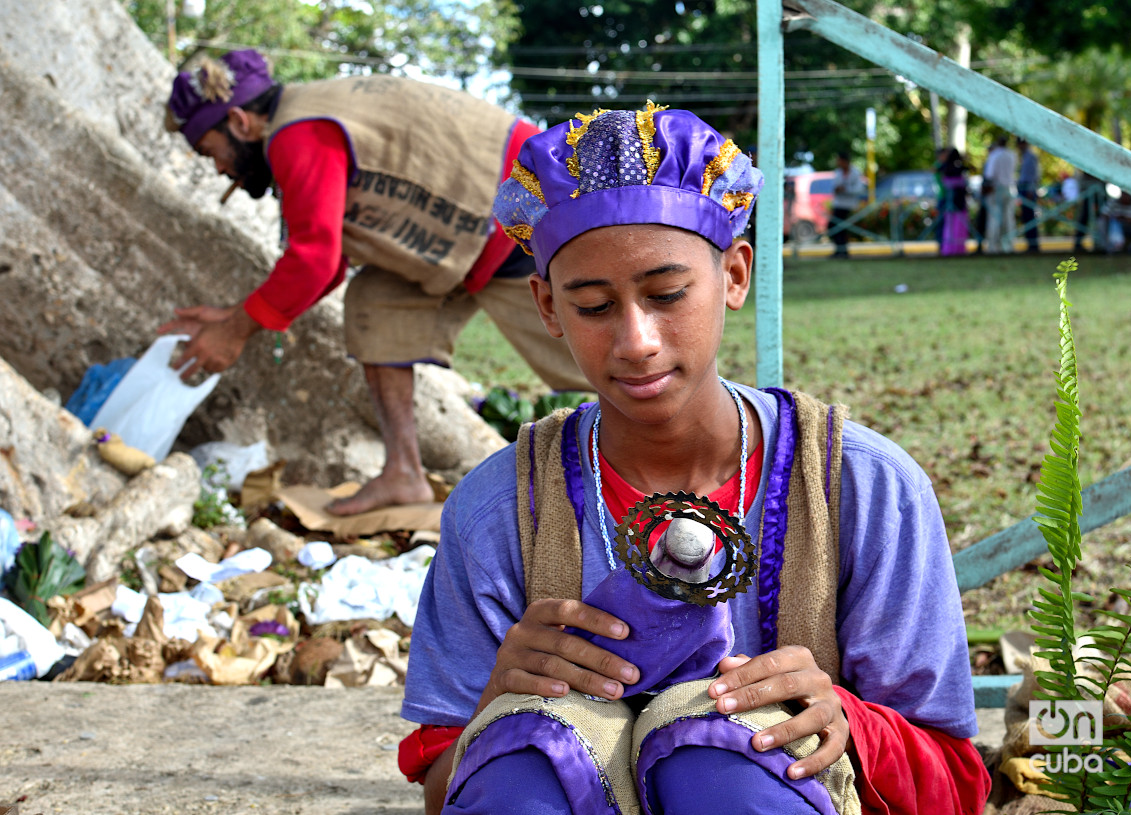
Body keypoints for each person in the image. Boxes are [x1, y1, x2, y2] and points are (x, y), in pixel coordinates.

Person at [397, 103, 990, 814]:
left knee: (723, 765)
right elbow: (442, 790)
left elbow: (956, 780)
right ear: (547, 307)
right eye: (592, 305)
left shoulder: (861, 488)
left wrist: (845, 722)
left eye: (667, 293)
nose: (637, 339)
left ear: (735, 275)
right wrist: (499, 700)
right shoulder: (499, 512)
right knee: (530, 767)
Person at [160, 50, 590, 515]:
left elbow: (315, 261)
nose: (220, 169)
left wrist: (234, 331)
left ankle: (668, 468)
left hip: (519, 210)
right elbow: (330, 264)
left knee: (600, 354)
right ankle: (403, 472)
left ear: (240, 123)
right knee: (376, 303)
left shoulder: (297, 133)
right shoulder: (302, 118)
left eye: (210, 152)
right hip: (461, 229)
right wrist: (232, 318)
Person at [983, 135, 1017, 254]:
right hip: (1010, 188)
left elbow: (989, 175)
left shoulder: (995, 155)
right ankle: (1008, 245)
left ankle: (993, 246)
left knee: (994, 218)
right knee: (1008, 218)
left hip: (997, 189)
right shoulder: (1012, 155)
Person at [830, 151, 865, 258]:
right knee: (833, 226)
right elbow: (834, 187)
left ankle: (843, 251)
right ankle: (840, 250)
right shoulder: (838, 172)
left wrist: (845, 189)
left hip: (848, 205)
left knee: (842, 227)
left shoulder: (855, 172)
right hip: (838, 204)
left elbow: (859, 189)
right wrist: (837, 189)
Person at [936, 147, 969, 256]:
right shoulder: (958, 168)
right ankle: (954, 247)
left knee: (949, 225)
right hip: (957, 202)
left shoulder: (946, 168)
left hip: (951, 202)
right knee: (955, 225)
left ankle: (948, 247)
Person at [1016, 138, 1040, 253]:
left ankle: (1033, 244)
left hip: (1028, 191)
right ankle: (1030, 243)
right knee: (1026, 217)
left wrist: (1030, 190)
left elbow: (1033, 175)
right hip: (1023, 190)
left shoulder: (1030, 156)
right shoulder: (1024, 156)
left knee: (1030, 217)